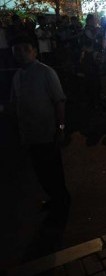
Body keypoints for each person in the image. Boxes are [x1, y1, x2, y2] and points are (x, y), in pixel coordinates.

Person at [10, 36, 70, 221]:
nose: (21, 54)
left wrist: (60, 128)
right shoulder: (18, 76)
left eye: (25, 50)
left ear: (34, 51)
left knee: (53, 170)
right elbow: (15, 104)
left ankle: (62, 202)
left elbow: (59, 102)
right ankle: (53, 198)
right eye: (17, 51)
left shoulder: (46, 72)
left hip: (48, 132)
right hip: (29, 135)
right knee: (40, 171)